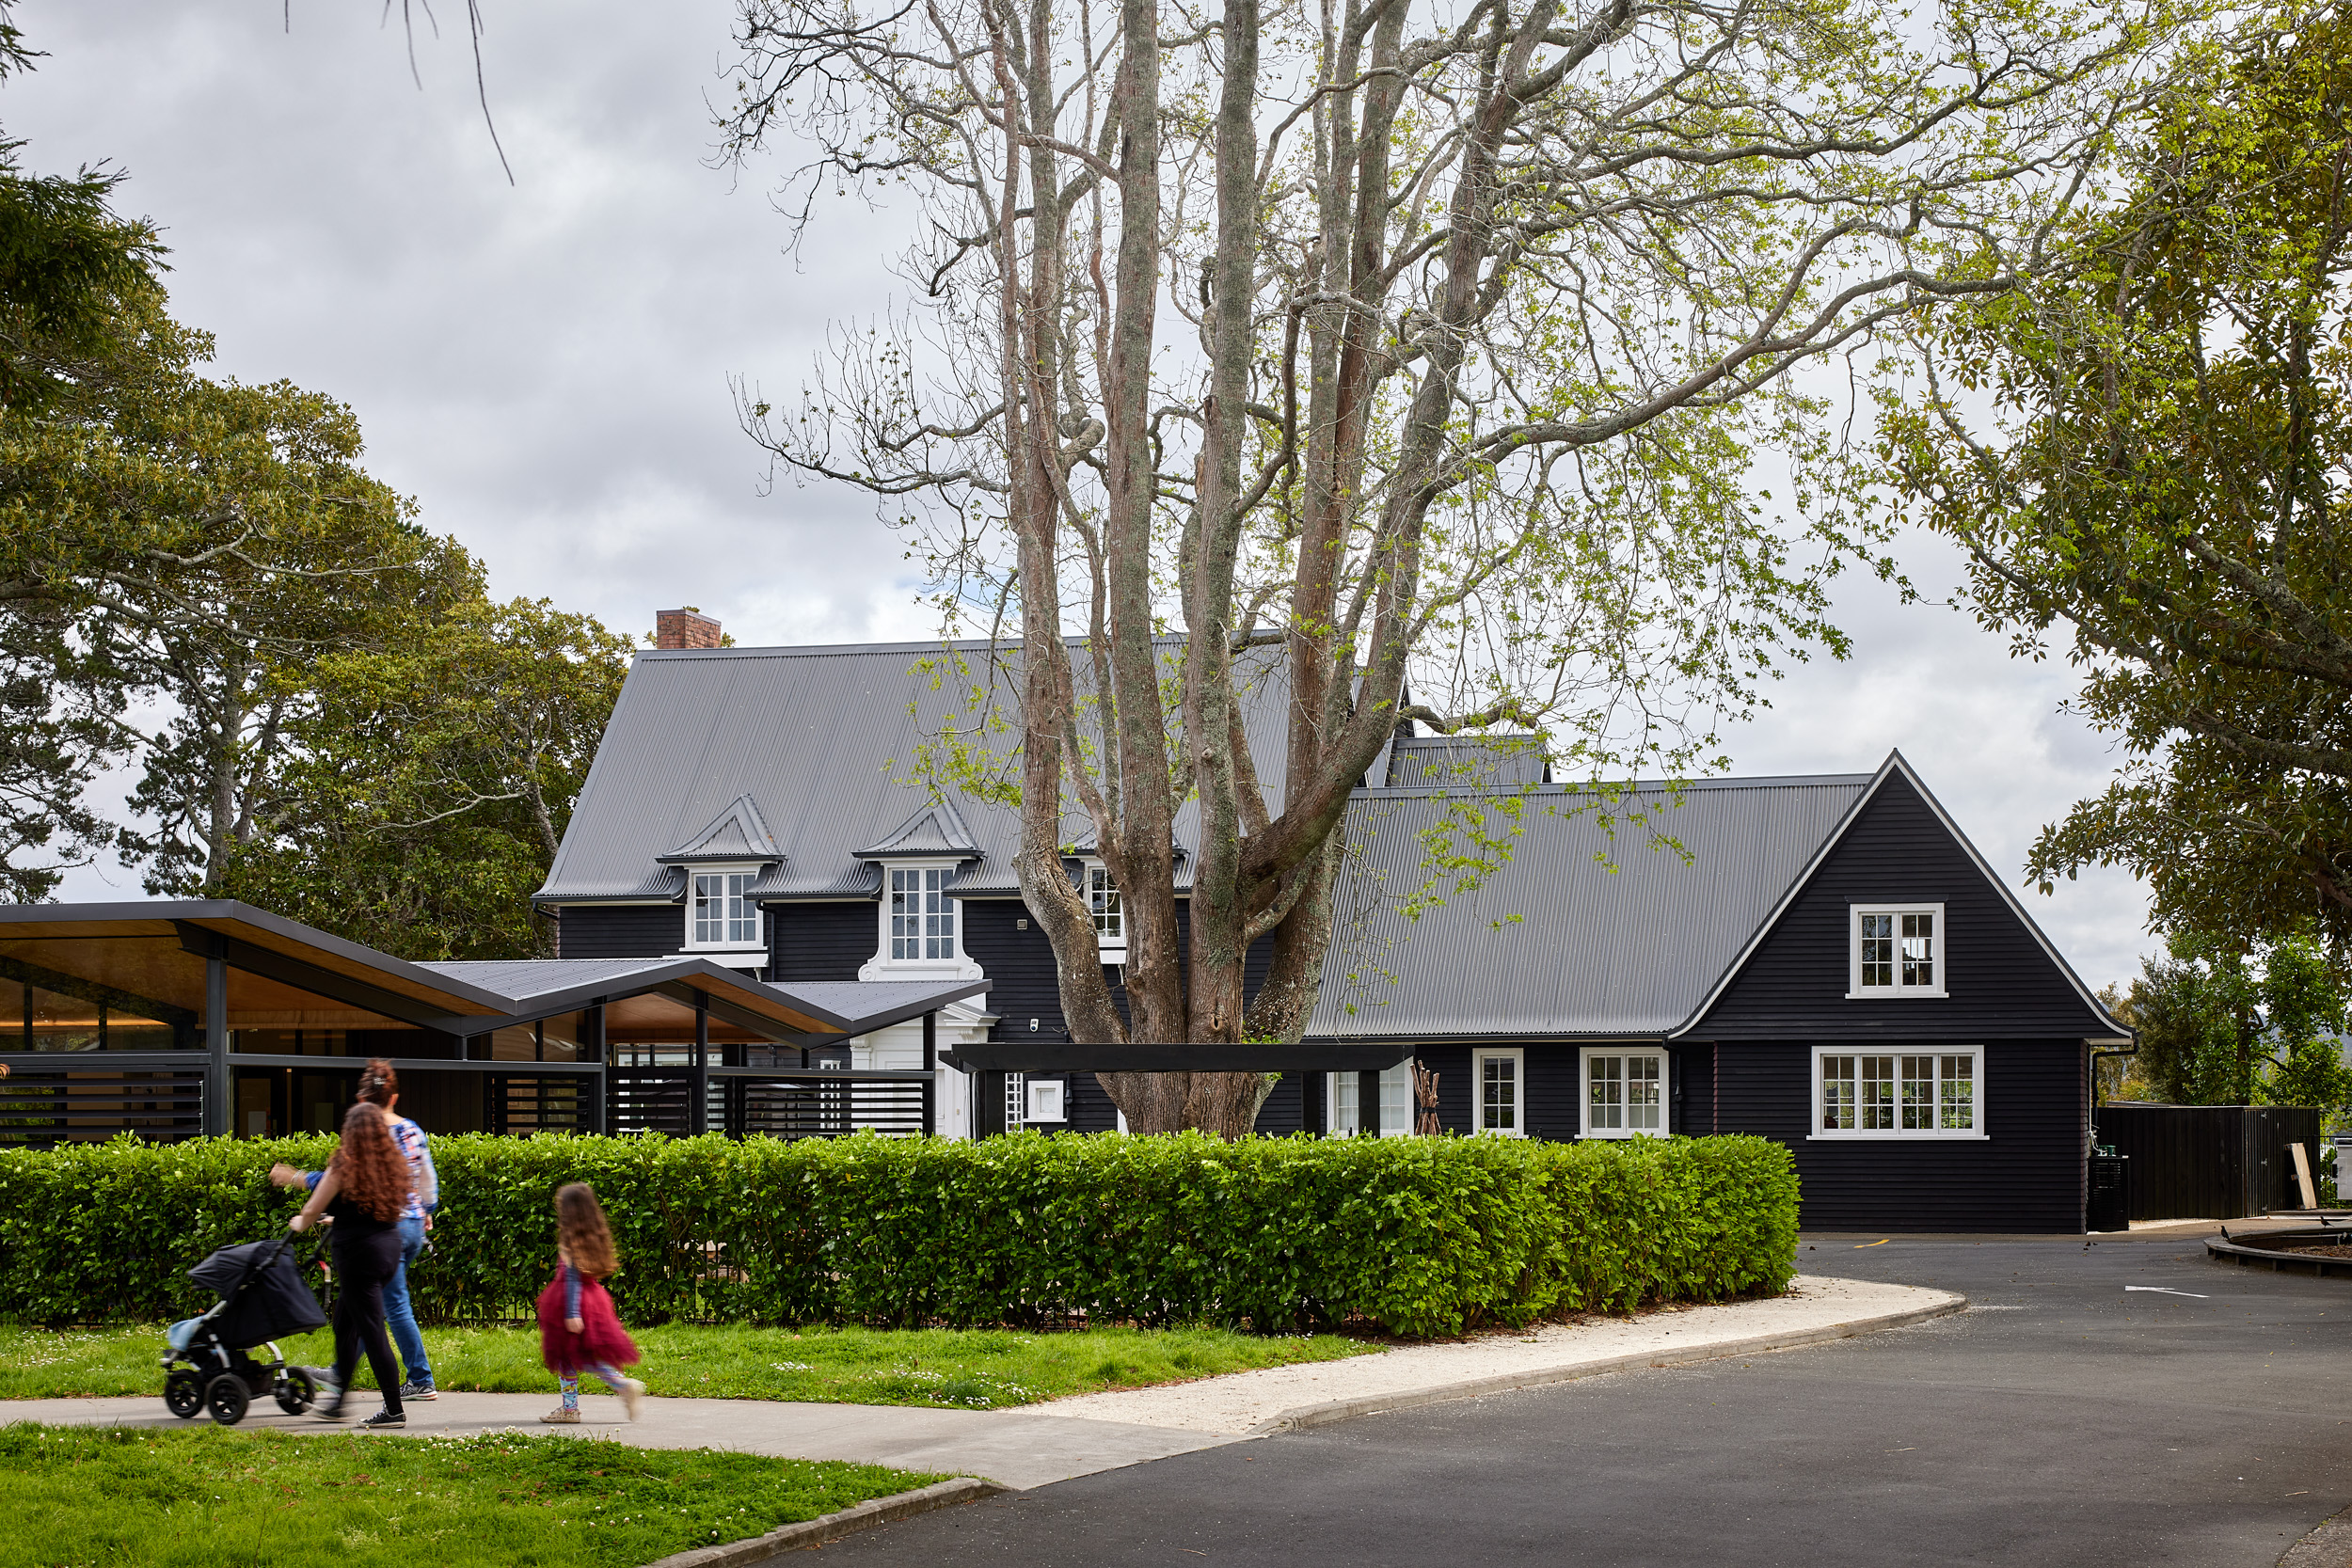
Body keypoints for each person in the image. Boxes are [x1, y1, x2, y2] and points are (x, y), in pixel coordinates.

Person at [271, 1059, 439, 1402]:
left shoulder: (369, 1130)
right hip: (406, 1227)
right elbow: (428, 1187)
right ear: (393, 1097)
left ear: (362, 1099)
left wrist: (295, 1179)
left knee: (388, 1306)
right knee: (372, 1305)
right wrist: (425, 1212)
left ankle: (419, 1379)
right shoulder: (411, 1130)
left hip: (382, 1226)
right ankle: (343, 1371)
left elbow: (339, 1179)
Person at [288, 1101, 413, 1428]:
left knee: (372, 1332)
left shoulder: (345, 1164)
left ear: (351, 1132)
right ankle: (337, 1402)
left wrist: (301, 1222)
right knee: (346, 1324)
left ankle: (394, 1410)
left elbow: (313, 1206)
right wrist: (339, 1218)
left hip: (359, 1258)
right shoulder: (392, 1163)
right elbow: (372, 1209)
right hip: (387, 1248)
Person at [535, 1181, 644, 1423]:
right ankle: (572, 1407)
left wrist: (572, 1312)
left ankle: (619, 1386)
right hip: (591, 1299)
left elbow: (572, 1276)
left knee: (576, 1356)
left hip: (569, 1302)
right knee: (574, 1355)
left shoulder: (570, 1239)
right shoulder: (591, 1236)